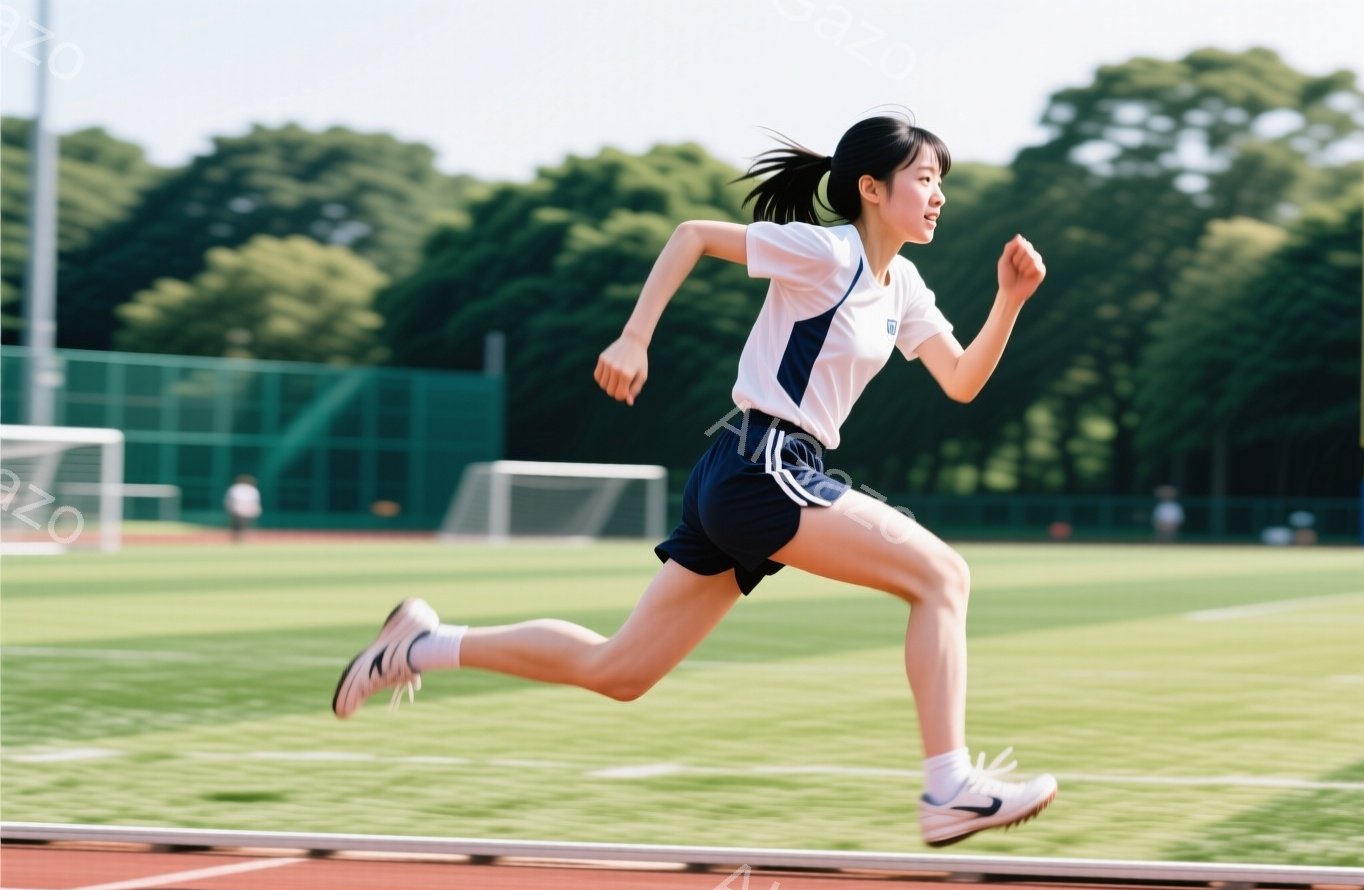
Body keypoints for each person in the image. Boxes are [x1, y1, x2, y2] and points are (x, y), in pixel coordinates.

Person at [331, 114, 1057, 847]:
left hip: (755, 472)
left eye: (941, 183)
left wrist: (1010, 301)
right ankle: (948, 787)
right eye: (926, 180)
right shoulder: (827, 253)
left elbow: (961, 380)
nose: (938, 197)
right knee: (942, 576)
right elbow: (692, 235)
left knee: (618, 670)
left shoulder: (901, 284)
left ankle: (420, 645)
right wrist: (634, 336)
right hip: (761, 464)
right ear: (872, 188)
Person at [225, 474, 261, 543]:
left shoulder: (235, 488)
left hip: (238, 511)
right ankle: (243, 539)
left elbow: (228, 501)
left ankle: (239, 539)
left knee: (239, 527)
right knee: (244, 526)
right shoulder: (251, 489)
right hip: (244, 511)